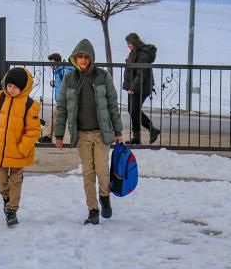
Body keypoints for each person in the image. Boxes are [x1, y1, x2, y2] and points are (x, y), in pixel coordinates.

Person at [53, 39, 123, 225]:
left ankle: (105, 196)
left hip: (101, 133)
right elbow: (62, 108)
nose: (83, 60)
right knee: (88, 173)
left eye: (86, 57)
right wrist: (59, 135)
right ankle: (92, 209)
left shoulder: (102, 76)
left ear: (91, 58)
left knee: (102, 170)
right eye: (80, 57)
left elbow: (112, 105)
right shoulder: (69, 79)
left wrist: (118, 130)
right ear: (75, 58)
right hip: (82, 134)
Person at [0, 67, 41, 227]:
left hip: (19, 153)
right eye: (9, 86)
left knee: (16, 181)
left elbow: (33, 131)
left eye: (15, 87)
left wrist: (22, 149)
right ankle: (6, 198)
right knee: (1, 179)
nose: (12, 89)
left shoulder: (30, 105)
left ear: (23, 88)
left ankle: (12, 211)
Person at [123, 33, 160, 144]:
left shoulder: (142, 55)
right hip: (135, 86)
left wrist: (133, 87)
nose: (128, 45)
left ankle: (151, 129)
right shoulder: (134, 53)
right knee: (132, 110)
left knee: (134, 110)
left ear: (134, 43)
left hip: (142, 87)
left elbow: (141, 74)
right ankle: (138, 137)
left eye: (129, 43)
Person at [41, 53, 74, 143]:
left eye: (52, 63)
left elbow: (69, 83)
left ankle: (48, 137)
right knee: (56, 118)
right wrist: (55, 83)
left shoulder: (63, 70)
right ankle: (48, 137)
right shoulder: (60, 70)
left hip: (66, 100)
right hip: (63, 100)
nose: (51, 66)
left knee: (58, 118)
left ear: (58, 62)